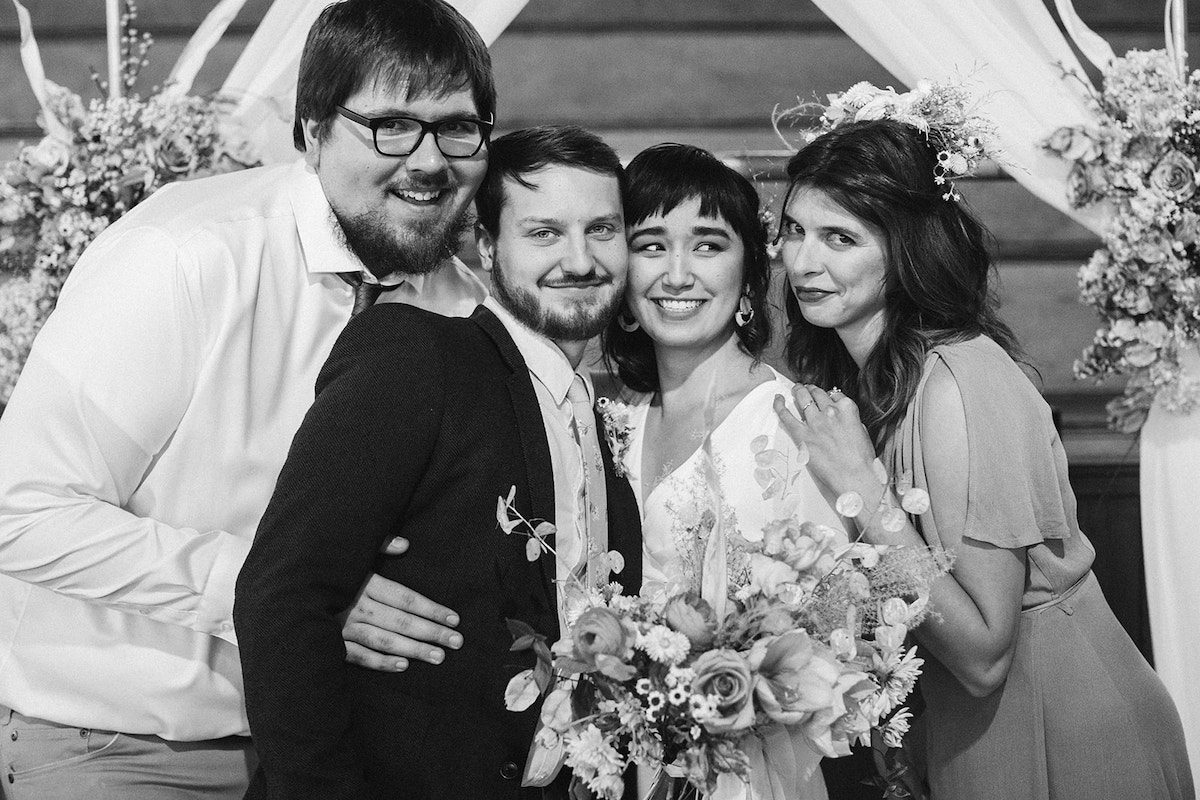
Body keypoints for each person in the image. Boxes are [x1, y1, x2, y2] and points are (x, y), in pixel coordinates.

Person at [0, 0, 493, 796]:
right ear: (309, 131)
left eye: (459, 127)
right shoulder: (185, 261)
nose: (430, 160)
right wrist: (281, 590)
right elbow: (18, 509)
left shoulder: (463, 309)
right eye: (391, 125)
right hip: (122, 747)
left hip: (339, 750)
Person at [773, 113, 1195, 799]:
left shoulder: (963, 384)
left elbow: (984, 651)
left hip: (1064, 728)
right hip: (972, 730)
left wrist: (859, 484)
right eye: (793, 230)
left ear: (904, 251)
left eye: (839, 238)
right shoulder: (873, 384)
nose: (802, 262)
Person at [234, 125, 643, 799]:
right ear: (485, 246)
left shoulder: (607, 417)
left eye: (602, 230)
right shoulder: (417, 355)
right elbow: (281, 598)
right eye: (544, 233)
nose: (580, 259)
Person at [602, 143, 843, 800]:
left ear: (747, 279)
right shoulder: (616, 424)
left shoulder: (791, 423)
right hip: (623, 760)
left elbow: (847, 617)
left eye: (707, 245)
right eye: (651, 245)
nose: (678, 273)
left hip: (754, 773)